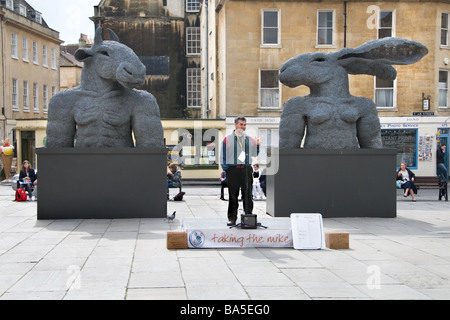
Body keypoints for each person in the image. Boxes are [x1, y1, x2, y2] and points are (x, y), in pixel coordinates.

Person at [221, 116, 262, 226]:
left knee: (248, 194)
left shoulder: (248, 139)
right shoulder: (227, 139)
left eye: (244, 125)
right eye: (241, 124)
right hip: (233, 170)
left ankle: (248, 216)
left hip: (246, 169)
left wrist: (257, 145)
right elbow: (222, 154)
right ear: (235, 125)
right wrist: (226, 168)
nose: (243, 127)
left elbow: (253, 154)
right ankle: (232, 218)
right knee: (233, 195)